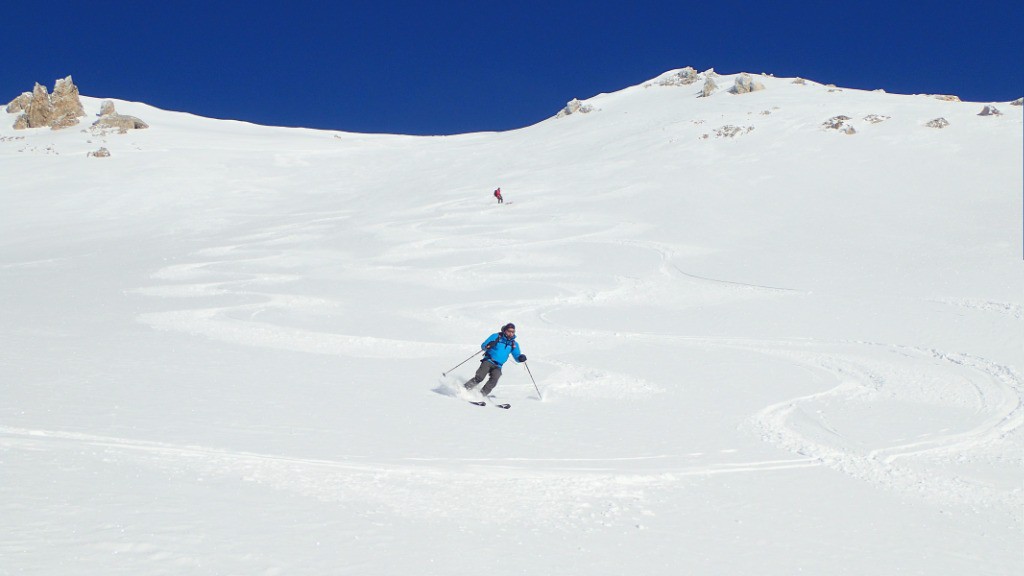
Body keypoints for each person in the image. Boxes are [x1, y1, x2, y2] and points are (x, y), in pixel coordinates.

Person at [464, 323, 526, 397]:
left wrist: (520, 358)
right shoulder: (496, 336)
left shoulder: (513, 343)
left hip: (498, 365)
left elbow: (517, 356)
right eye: (509, 331)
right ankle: (465, 389)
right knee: (480, 377)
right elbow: (483, 346)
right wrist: (488, 345)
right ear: (505, 331)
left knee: (494, 380)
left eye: (513, 332)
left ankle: (481, 395)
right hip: (488, 360)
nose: (511, 333)